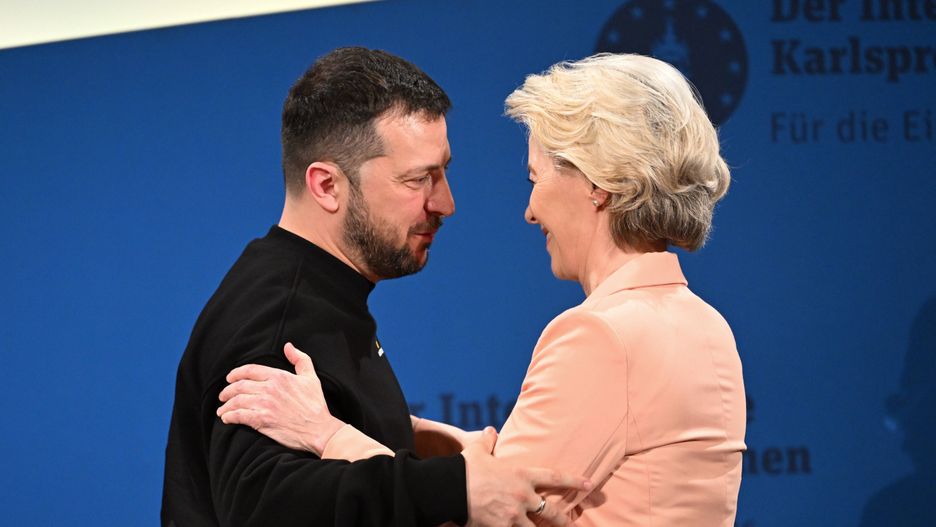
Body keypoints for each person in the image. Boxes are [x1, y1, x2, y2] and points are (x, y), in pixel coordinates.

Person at [218, 52, 747, 526]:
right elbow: (515, 468)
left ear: (597, 186)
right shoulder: (703, 325)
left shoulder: (603, 337)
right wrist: (389, 424)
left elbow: (492, 509)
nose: (530, 210)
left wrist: (327, 434)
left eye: (535, 179)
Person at [162, 47, 588, 527]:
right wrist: (456, 489)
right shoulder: (277, 323)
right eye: (419, 179)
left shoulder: (321, 294)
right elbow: (267, 505)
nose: (446, 203)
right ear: (327, 186)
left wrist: (437, 446)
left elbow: (342, 432)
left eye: (444, 170)